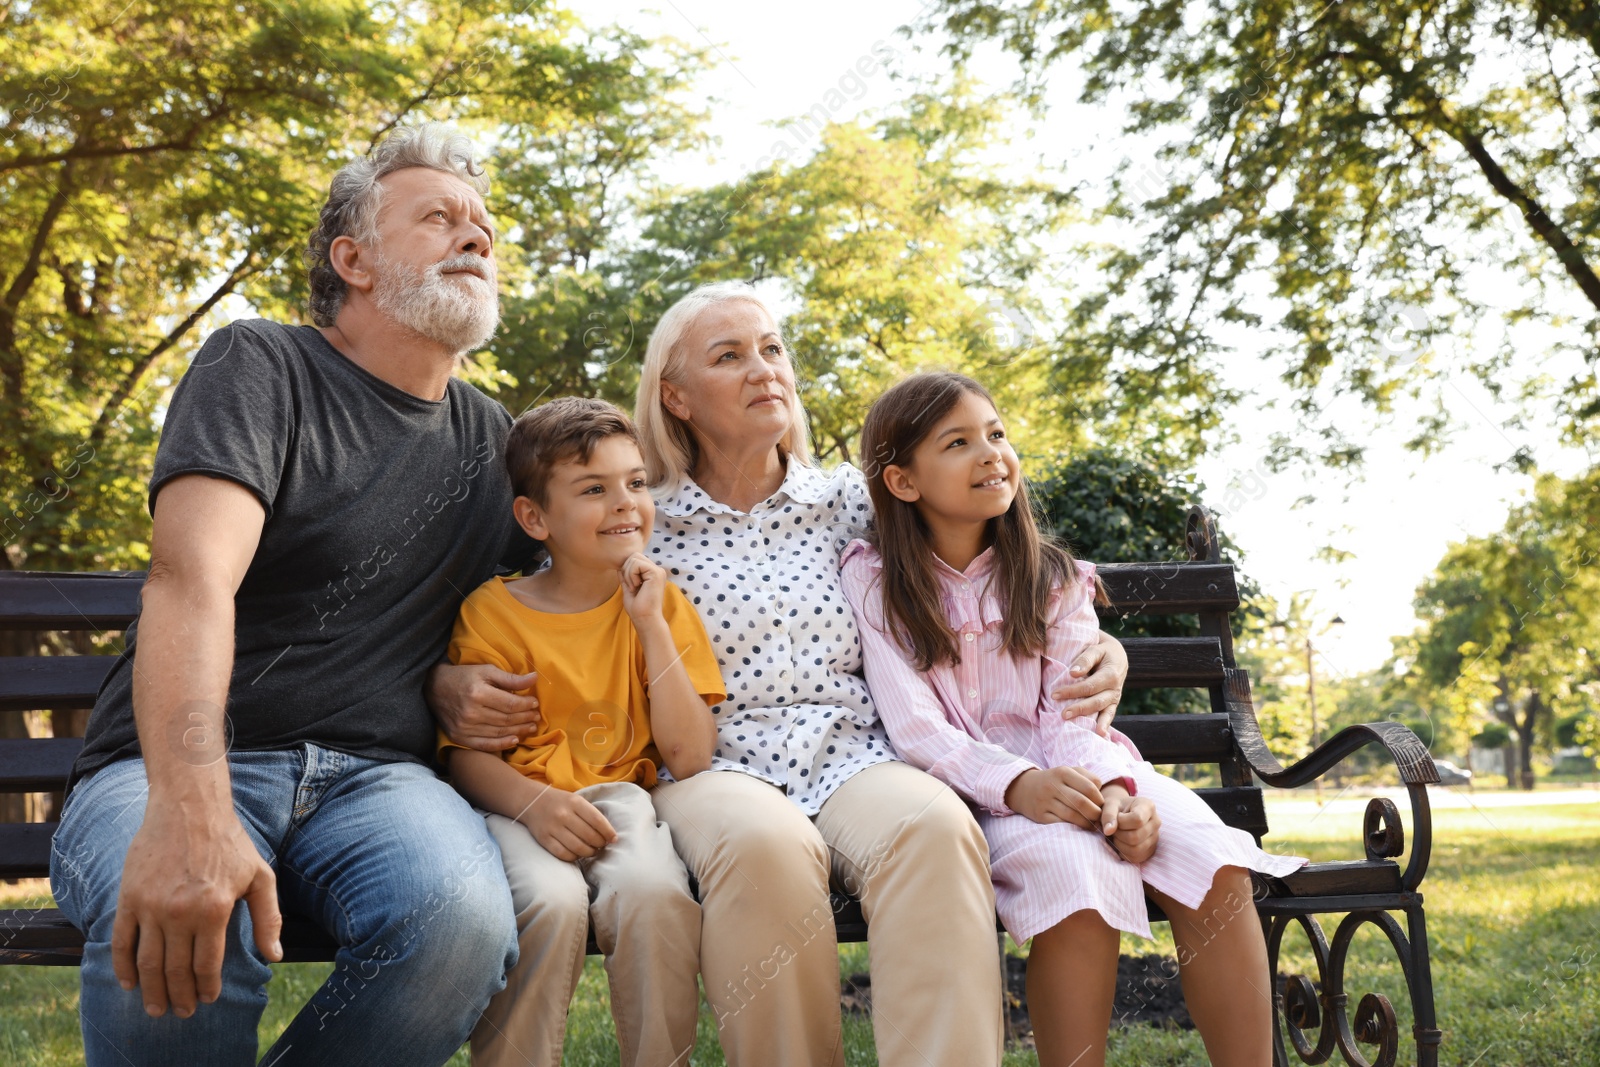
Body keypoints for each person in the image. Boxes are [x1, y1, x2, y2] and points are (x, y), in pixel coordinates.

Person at [429, 280, 1131, 1067]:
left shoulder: (851, 503)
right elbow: (526, 608)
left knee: (935, 829)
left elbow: (992, 557)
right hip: (711, 767)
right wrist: (443, 683)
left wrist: (1103, 638)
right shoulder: (636, 515)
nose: (764, 368)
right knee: (768, 845)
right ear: (677, 396)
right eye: (729, 356)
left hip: (855, 754)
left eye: (772, 349)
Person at [48, 124, 537, 1067]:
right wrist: (190, 810)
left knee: (462, 922)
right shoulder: (260, 365)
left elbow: (537, 601)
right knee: (192, 907)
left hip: (377, 780)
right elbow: (191, 580)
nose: (475, 237)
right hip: (175, 760)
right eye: (439, 218)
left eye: (483, 224)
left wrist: (447, 682)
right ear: (351, 259)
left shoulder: (491, 439)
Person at [839, 371, 1307, 1067]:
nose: (991, 452)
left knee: (1215, 861)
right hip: (976, 798)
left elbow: (1075, 709)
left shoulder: (1053, 577)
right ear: (904, 481)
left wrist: (1119, 795)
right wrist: (1021, 784)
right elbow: (917, 729)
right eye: (959, 442)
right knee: (1076, 875)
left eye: (996, 433)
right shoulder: (877, 582)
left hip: (1090, 772)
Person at [440, 397, 725, 1067]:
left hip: (622, 803)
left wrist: (651, 624)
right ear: (535, 517)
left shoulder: (661, 604)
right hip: (516, 805)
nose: (625, 502)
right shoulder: (494, 612)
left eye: (634, 482)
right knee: (549, 901)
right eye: (594, 488)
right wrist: (535, 805)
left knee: (655, 896)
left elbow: (690, 752)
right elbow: (465, 759)